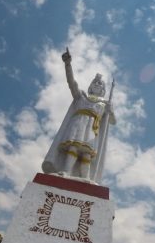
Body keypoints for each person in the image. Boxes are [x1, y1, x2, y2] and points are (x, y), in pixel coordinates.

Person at [42, 48, 116, 183]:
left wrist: (110, 110)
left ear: (104, 89)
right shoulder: (81, 96)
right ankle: (66, 171)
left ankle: (85, 177)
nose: (97, 84)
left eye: (100, 83)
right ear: (90, 86)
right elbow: (71, 83)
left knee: (87, 152)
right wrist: (68, 64)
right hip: (78, 123)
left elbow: (112, 121)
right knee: (73, 147)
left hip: (92, 128)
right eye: (95, 82)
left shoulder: (104, 103)